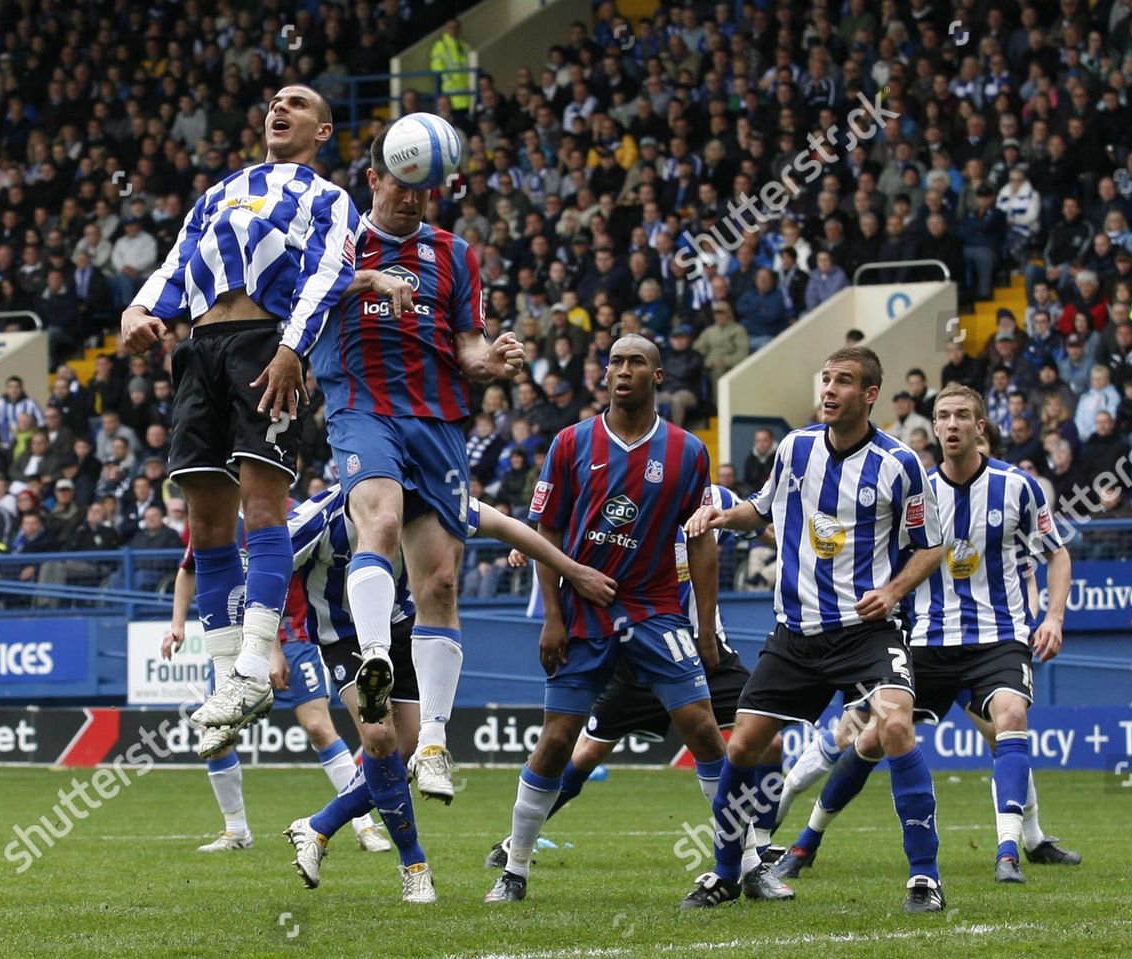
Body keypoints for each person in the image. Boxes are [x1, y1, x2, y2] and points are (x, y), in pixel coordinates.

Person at [119, 85, 362, 758]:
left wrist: (292, 349)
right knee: (205, 525)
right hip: (199, 350)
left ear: (323, 130)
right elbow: (177, 262)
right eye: (275, 102)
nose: (280, 108)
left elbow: (326, 277)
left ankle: (256, 662)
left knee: (262, 510)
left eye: (298, 104)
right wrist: (138, 311)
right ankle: (229, 682)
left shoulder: (329, 198)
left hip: (265, 346)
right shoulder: (221, 191)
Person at [681, 346, 947, 913]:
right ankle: (726, 873)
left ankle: (924, 877)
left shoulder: (900, 464)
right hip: (796, 634)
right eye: (825, 379)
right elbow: (761, 509)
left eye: (843, 381)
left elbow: (931, 546)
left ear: (870, 394)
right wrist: (725, 516)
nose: (829, 389)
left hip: (867, 632)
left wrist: (894, 591)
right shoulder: (795, 448)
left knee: (896, 725)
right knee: (744, 744)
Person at [775, 384, 1073, 885]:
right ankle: (805, 839)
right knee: (867, 736)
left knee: (1011, 719)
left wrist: (1053, 618)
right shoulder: (915, 489)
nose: (952, 424)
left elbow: (1057, 553)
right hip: (924, 642)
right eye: (943, 416)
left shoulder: (1017, 486)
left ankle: (1011, 851)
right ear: (933, 426)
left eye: (962, 416)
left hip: (996, 639)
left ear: (980, 426)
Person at [273, 482, 615, 904]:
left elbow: (504, 525)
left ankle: (318, 826)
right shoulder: (318, 516)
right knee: (378, 738)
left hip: (403, 628)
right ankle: (414, 866)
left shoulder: (422, 499)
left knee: (403, 752)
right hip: (345, 638)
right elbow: (266, 568)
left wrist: (573, 571)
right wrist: (269, 648)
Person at [311, 127, 522, 804]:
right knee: (379, 519)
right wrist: (366, 279)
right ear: (373, 179)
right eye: (400, 186)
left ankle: (432, 742)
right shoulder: (337, 239)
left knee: (441, 583)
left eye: (423, 190)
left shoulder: (455, 254)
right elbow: (301, 301)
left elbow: (468, 347)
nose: (410, 199)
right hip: (362, 407)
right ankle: (375, 659)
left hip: (437, 421)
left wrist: (492, 361)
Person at [486, 334, 726, 906]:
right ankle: (515, 869)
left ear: (657, 376)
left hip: (656, 610)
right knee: (557, 740)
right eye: (615, 361)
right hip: (583, 614)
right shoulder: (571, 442)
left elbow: (701, 542)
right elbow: (546, 532)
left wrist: (705, 627)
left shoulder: (688, 451)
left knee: (702, 729)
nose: (622, 370)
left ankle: (735, 862)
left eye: (635, 362)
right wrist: (551, 617)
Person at [484, 484, 791, 883]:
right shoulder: (634, 503)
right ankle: (517, 841)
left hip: (705, 652)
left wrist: (799, 545)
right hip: (641, 653)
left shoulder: (717, 500)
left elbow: (761, 527)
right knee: (584, 754)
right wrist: (530, 547)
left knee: (770, 743)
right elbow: (569, 527)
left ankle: (759, 844)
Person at [163, 535, 390, 857]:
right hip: (235, 643)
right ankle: (236, 831)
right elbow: (188, 569)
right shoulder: (217, 518)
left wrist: (274, 650)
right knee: (216, 735)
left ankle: (365, 825)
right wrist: (177, 624)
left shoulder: (288, 520)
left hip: (293, 639)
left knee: (318, 727)